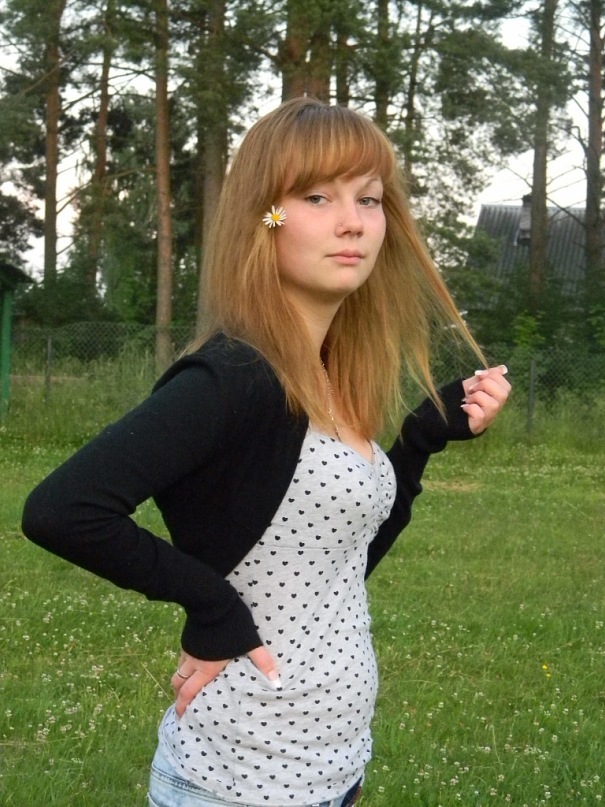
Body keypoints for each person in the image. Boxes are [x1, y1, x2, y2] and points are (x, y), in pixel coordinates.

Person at [22, 97, 511, 807]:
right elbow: (62, 509)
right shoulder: (235, 377)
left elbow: (339, 566)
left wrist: (419, 440)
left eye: (368, 198)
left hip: (331, 770)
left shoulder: (328, 377)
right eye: (316, 197)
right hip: (237, 781)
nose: (352, 221)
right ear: (267, 217)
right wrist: (210, 605)